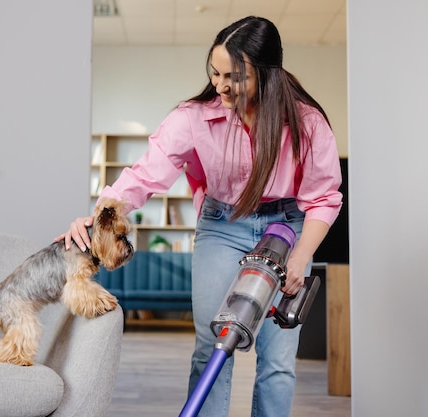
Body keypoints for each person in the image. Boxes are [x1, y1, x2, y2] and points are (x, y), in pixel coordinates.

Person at [56, 16, 342, 417]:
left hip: (287, 228)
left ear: (266, 73)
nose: (222, 85)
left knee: (277, 363)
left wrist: (299, 257)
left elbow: (325, 197)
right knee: (213, 346)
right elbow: (144, 174)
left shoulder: (306, 122)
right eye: (216, 72)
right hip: (223, 226)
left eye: (235, 77)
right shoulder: (193, 118)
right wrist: (99, 216)